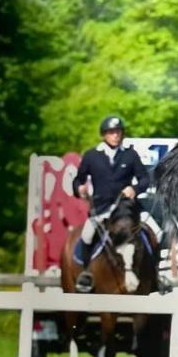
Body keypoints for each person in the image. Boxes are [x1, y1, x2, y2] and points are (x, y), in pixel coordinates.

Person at [70, 115, 151, 292]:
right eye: (111, 132)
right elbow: (78, 180)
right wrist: (80, 189)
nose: (116, 135)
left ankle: (154, 274)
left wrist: (134, 189)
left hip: (125, 209)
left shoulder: (130, 155)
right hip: (100, 208)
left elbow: (145, 179)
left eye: (118, 132)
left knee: (151, 233)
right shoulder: (92, 156)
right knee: (86, 235)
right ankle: (86, 273)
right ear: (104, 135)